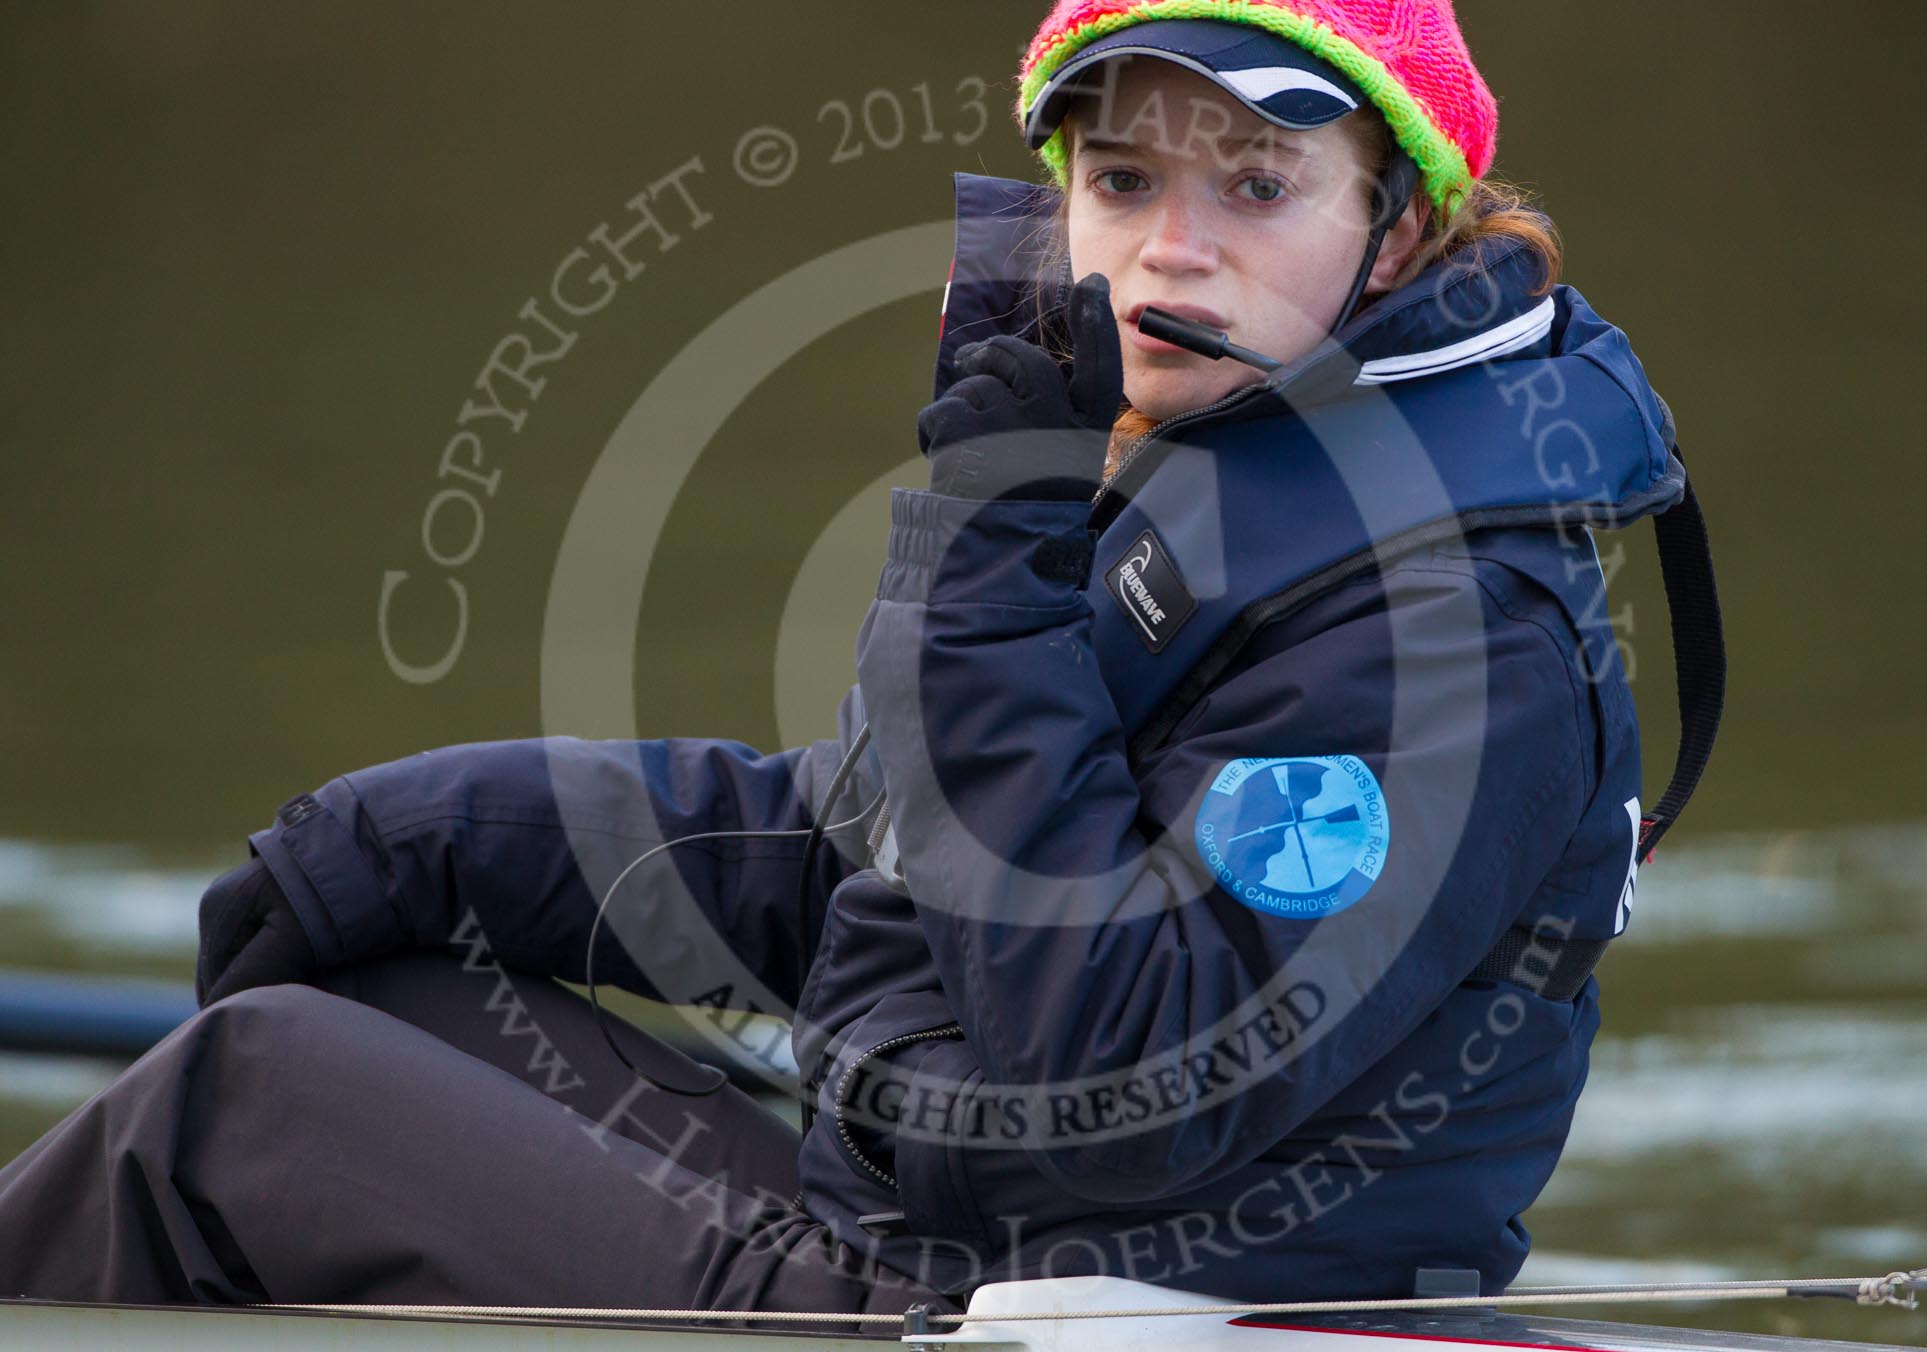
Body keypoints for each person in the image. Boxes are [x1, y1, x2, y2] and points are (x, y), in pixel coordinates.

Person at [0, 0, 1721, 1319]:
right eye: (1121, 180)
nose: (1170, 248)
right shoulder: (1224, 476)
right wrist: (405, 844)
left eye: (1258, 186)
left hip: (1062, 1317)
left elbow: (1122, 1079)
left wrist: (982, 543)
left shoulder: (1458, 634)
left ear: (1401, 230)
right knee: (373, 990)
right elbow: (883, 859)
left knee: (248, 1097)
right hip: (936, 1249)